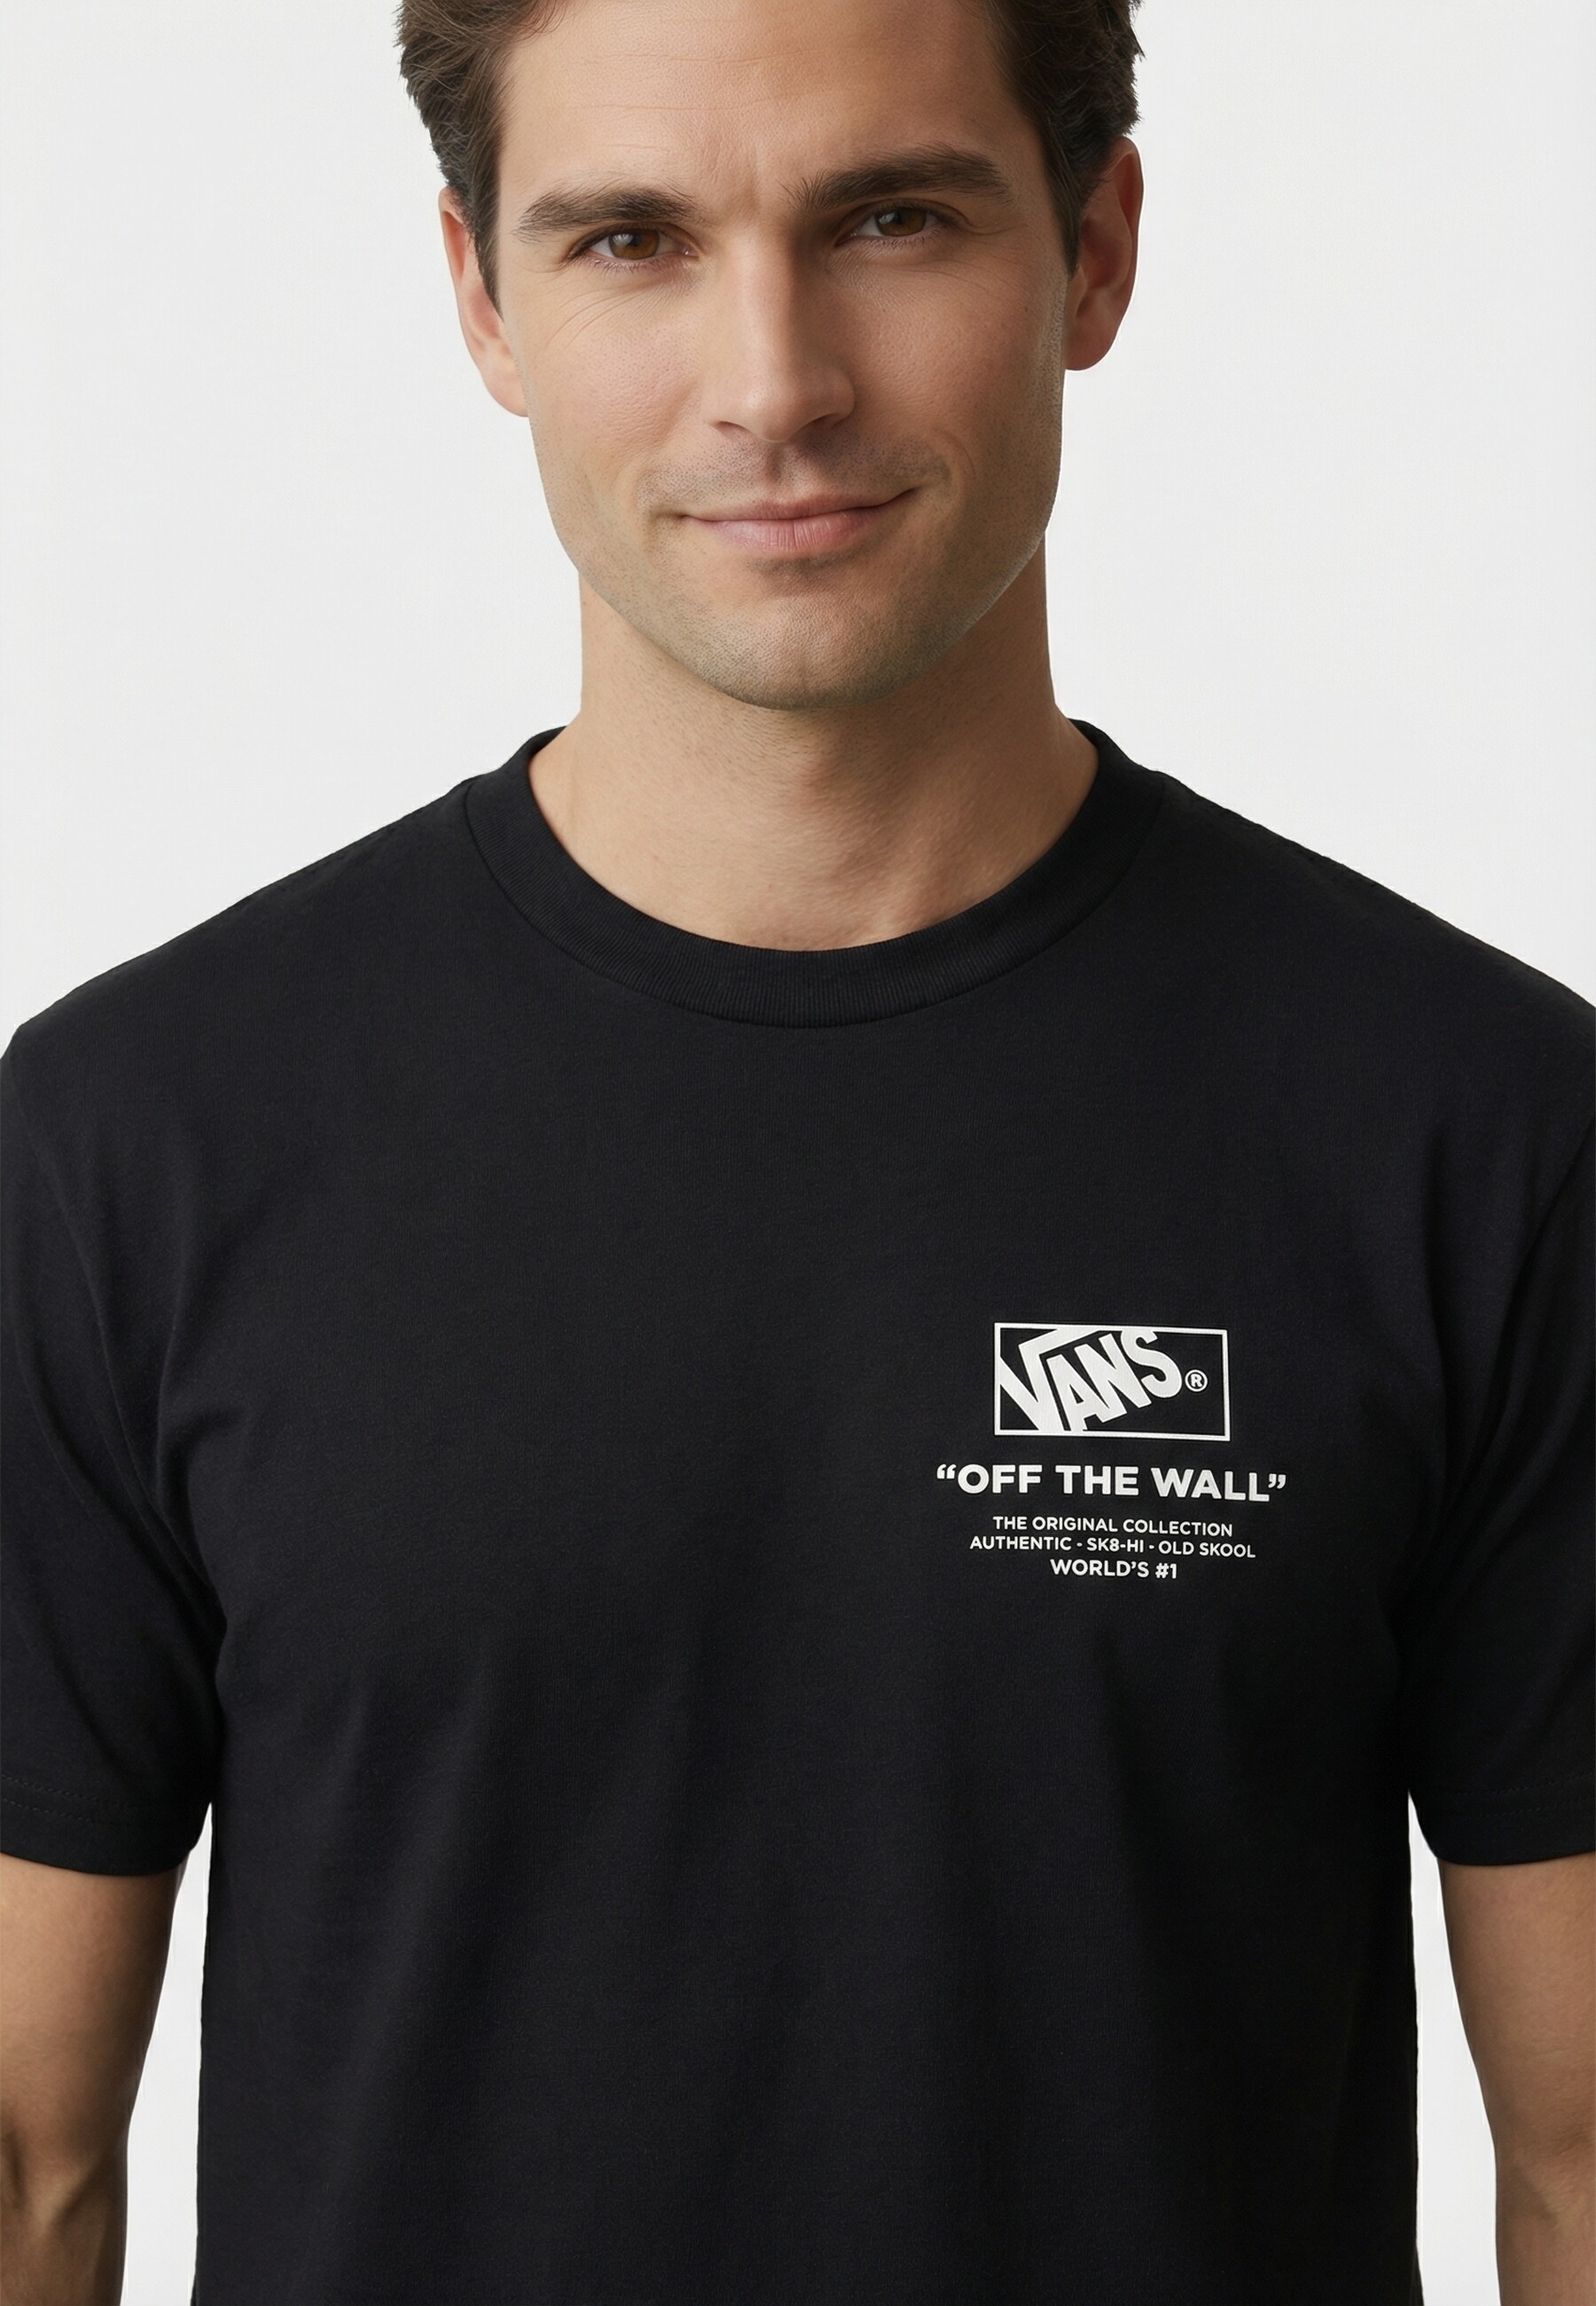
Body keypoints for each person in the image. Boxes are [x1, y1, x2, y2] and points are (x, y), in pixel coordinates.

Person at [2, 0, 1591, 2296]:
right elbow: (28, 2162)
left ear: (1096, 249)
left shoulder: (1487, 1134)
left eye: (892, 218)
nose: (775, 380)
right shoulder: (127, 1152)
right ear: (482, 298)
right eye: (631, 239)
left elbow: (1583, 2161)